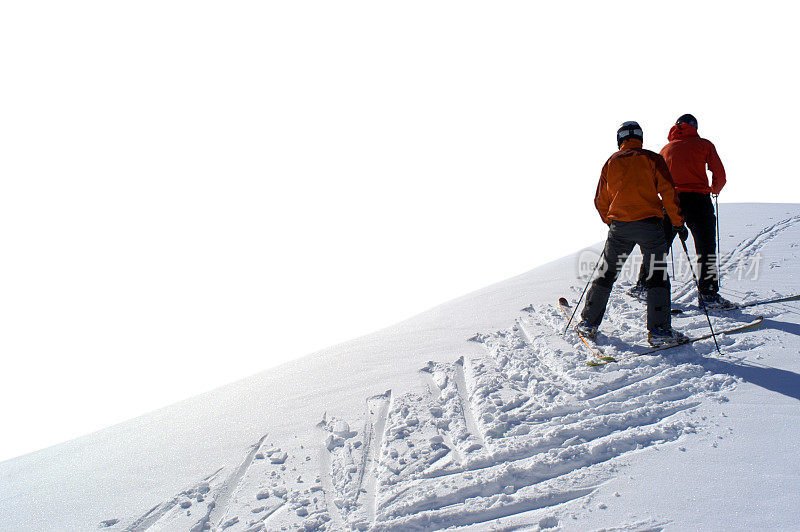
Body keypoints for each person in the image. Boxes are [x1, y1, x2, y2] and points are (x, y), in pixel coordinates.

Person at [577, 121, 689, 346]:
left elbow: (600, 199)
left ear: (620, 139)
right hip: (651, 227)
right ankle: (659, 331)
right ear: (640, 138)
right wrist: (678, 223)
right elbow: (669, 193)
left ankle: (588, 322)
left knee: (607, 272)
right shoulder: (653, 159)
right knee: (657, 275)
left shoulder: (611, 162)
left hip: (621, 226)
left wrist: (612, 222)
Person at [629, 113, 732, 309]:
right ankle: (708, 294)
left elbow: (656, 179)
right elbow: (720, 174)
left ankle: (643, 285)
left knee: (659, 247)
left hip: (671, 202)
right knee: (705, 248)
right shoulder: (704, 145)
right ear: (695, 126)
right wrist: (714, 190)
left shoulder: (665, 149)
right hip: (698, 200)